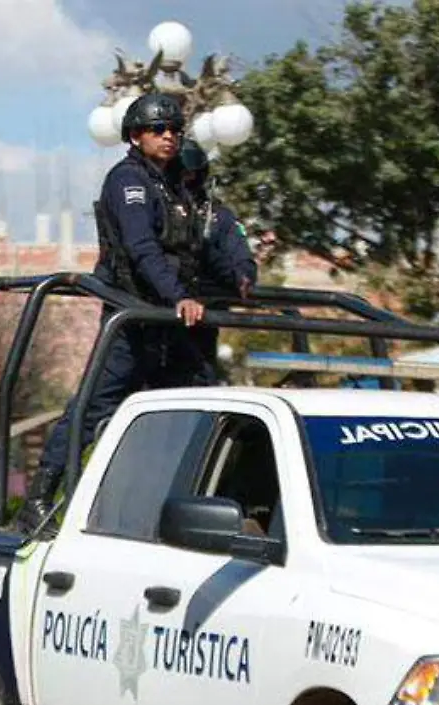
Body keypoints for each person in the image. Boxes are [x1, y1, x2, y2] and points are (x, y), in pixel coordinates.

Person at [19, 92, 211, 532]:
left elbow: (196, 245)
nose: (168, 136)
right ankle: (41, 498)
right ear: (135, 135)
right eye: (157, 129)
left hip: (167, 321)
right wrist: (177, 295)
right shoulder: (128, 182)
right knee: (91, 409)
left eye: (174, 130)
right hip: (132, 316)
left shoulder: (175, 184)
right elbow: (142, 249)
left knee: (199, 402)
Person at [175, 137, 258, 381]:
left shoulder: (218, 217)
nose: (182, 183)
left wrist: (207, 251)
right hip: (148, 324)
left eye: (188, 175)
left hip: (200, 328)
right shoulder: (149, 209)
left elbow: (245, 272)